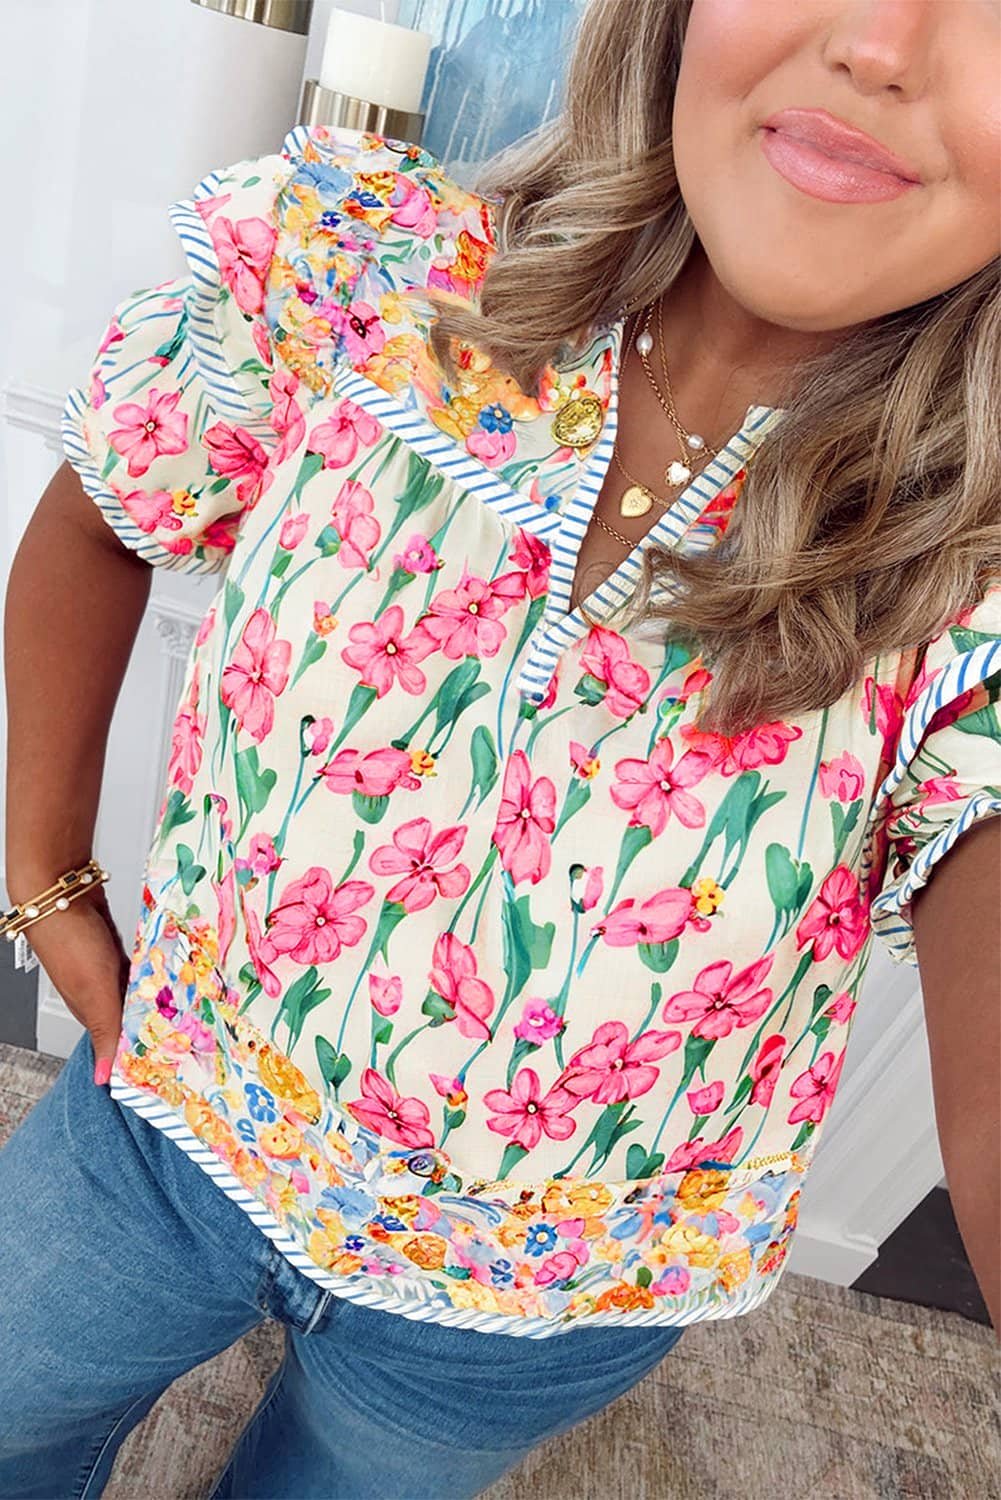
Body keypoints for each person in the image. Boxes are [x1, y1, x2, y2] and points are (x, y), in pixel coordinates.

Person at [2, 0, 999, 1494]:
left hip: (522, 1321)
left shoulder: (970, 582)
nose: (879, 43)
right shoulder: (349, 272)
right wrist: (43, 876)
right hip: (156, 1125)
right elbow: (104, 514)